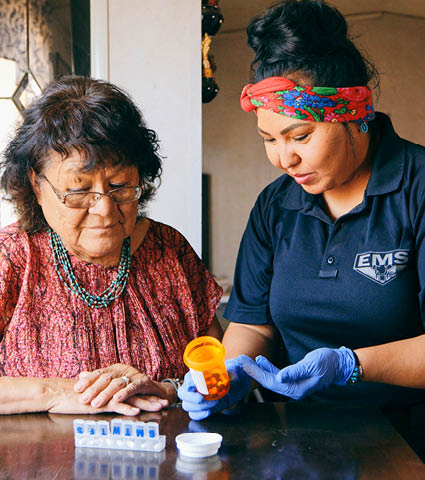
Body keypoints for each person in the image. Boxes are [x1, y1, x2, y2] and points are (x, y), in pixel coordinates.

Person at [179, 0, 425, 422]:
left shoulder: (416, 187)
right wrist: (229, 374)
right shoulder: (275, 207)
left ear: (355, 113)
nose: (283, 159)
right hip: (295, 437)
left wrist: (350, 366)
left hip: (408, 437)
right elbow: (254, 324)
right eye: (268, 139)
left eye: (300, 136)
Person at [0, 76, 223, 417]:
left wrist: (169, 389)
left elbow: (218, 374)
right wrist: (56, 392)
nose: (104, 208)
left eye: (120, 185)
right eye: (78, 190)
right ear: (37, 186)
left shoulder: (170, 250)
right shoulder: (10, 260)